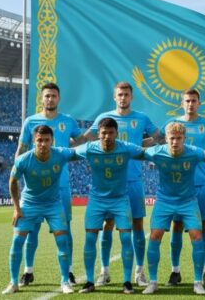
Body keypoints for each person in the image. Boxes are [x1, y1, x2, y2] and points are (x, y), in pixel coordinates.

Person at [85, 81, 160, 286]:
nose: (123, 98)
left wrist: (141, 144)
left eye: (126, 94)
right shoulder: (104, 118)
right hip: (109, 184)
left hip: (133, 180)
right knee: (106, 225)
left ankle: (139, 272)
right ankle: (104, 271)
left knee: (137, 225)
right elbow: (86, 138)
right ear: (114, 97)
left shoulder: (141, 118)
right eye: (120, 94)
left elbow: (159, 138)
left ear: (131, 97)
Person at [15, 82, 86, 286]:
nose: (50, 99)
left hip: (61, 186)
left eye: (54, 96)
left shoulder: (68, 121)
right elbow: (22, 149)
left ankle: (69, 271)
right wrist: (16, 175)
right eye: (47, 96)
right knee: (32, 230)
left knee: (65, 230)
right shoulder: (30, 121)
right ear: (42, 98)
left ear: (58, 98)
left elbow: (80, 141)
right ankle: (28, 271)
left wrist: (70, 146)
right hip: (35, 188)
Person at [75, 117, 145, 294]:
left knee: (126, 238)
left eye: (110, 133)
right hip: (97, 200)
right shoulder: (89, 148)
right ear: (98, 134)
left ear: (116, 134)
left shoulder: (126, 148)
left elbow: (147, 153)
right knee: (90, 238)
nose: (107, 136)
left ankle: (127, 282)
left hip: (120, 200)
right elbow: (66, 154)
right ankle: (89, 281)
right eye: (103, 133)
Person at [3, 125, 76, 295]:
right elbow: (12, 182)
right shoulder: (23, 160)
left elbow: (81, 152)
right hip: (29, 203)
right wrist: (17, 208)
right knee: (17, 241)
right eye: (39, 140)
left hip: (53, 204)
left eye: (46, 140)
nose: (43, 144)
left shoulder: (61, 154)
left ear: (52, 141)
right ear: (34, 141)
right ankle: (13, 282)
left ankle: (65, 281)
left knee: (62, 241)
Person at [140, 122, 205, 295]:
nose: (175, 142)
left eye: (179, 138)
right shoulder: (156, 152)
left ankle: (197, 282)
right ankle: (153, 282)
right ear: (166, 138)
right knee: (155, 236)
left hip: (188, 201)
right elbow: (135, 152)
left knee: (197, 236)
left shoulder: (194, 152)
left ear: (184, 139)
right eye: (172, 138)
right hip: (164, 201)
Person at [161, 89, 205, 288]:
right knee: (176, 226)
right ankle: (175, 271)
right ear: (182, 103)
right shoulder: (173, 124)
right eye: (187, 101)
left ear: (199, 103)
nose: (190, 104)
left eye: (194, 100)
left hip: (201, 183)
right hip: (179, 186)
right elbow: (159, 142)